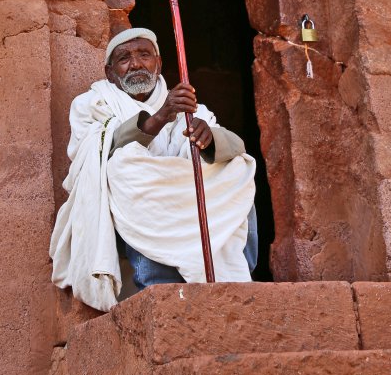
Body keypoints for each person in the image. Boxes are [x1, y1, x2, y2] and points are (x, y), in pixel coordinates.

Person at [50, 27, 257, 311]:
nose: (135, 64)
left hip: (181, 204)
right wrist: (162, 116)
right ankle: (157, 284)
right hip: (129, 210)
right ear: (110, 73)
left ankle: (236, 278)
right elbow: (98, 155)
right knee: (123, 169)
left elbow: (236, 145)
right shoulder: (92, 104)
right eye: (124, 58)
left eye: (144, 55)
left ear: (158, 64)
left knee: (238, 169)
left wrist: (206, 137)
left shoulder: (188, 106)